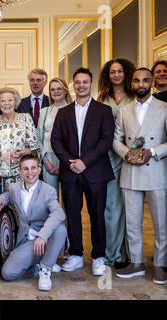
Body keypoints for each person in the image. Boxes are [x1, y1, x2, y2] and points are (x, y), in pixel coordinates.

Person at [51, 67, 115, 276]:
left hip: (96, 171)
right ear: (73, 84)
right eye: (77, 82)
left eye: (85, 82)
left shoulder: (103, 111)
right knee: (72, 214)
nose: (81, 86)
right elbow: (56, 140)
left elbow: (106, 140)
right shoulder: (63, 112)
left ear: (91, 83)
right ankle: (76, 254)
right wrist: (71, 162)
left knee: (97, 215)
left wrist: (84, 162)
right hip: (70, 172)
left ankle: (98, 257)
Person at [113, 68, 167, 285]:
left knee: (161, 223)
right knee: (132, 222)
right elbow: (116, 139)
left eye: (145, 80)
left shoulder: (164, 108)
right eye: (136, 80)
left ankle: (161, 264)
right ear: (131, 83)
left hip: (156, 171)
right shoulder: (124, 110)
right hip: (130, 171)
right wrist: (125, 153)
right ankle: (136, 263)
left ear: (152, 82)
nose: (141, 84)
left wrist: (152, 152)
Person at [0, 155, 67, 291]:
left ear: (39, 169)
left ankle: (45, 270)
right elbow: (7, 196)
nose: (30, 172)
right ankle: (38, 265)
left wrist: (42, 235)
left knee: (60, 229)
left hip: (44, 241)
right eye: (25, 169)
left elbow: (58, 213)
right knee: (7, 273)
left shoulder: (48, 191)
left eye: (33, 168)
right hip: (26, 242)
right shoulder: (14, 188)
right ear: (20, 172)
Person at [97, 58, 136, 269]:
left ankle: (130, 253)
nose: (117, 75)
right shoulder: (102, 98)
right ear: (107, 75)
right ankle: (113, 254)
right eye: (112, 72)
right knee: (111, 209)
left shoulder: (134, 96)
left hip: (132, 157)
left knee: (131, 208)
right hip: (109, 157)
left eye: (120, 71)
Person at [0, 87, 39, 193]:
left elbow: (34, 146)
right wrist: (4, 156)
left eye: (10, 100)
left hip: (21, 173)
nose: (6, 103)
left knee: (18, 206)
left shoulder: (25, 118)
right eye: (3, 101)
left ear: (15, 102)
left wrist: (21, 153)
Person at [38, 78, 72, 196]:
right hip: (49, 158)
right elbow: (38, 138)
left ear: (65, 90)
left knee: (69, 197)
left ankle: (67, 216)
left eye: (59, 88)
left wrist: (68, 162)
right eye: (52, 89)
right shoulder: (44, 112)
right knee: (51, 196)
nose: (56, 91)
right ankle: (54, 216)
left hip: (68, 158)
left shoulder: (74, 110)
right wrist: (46, 161)